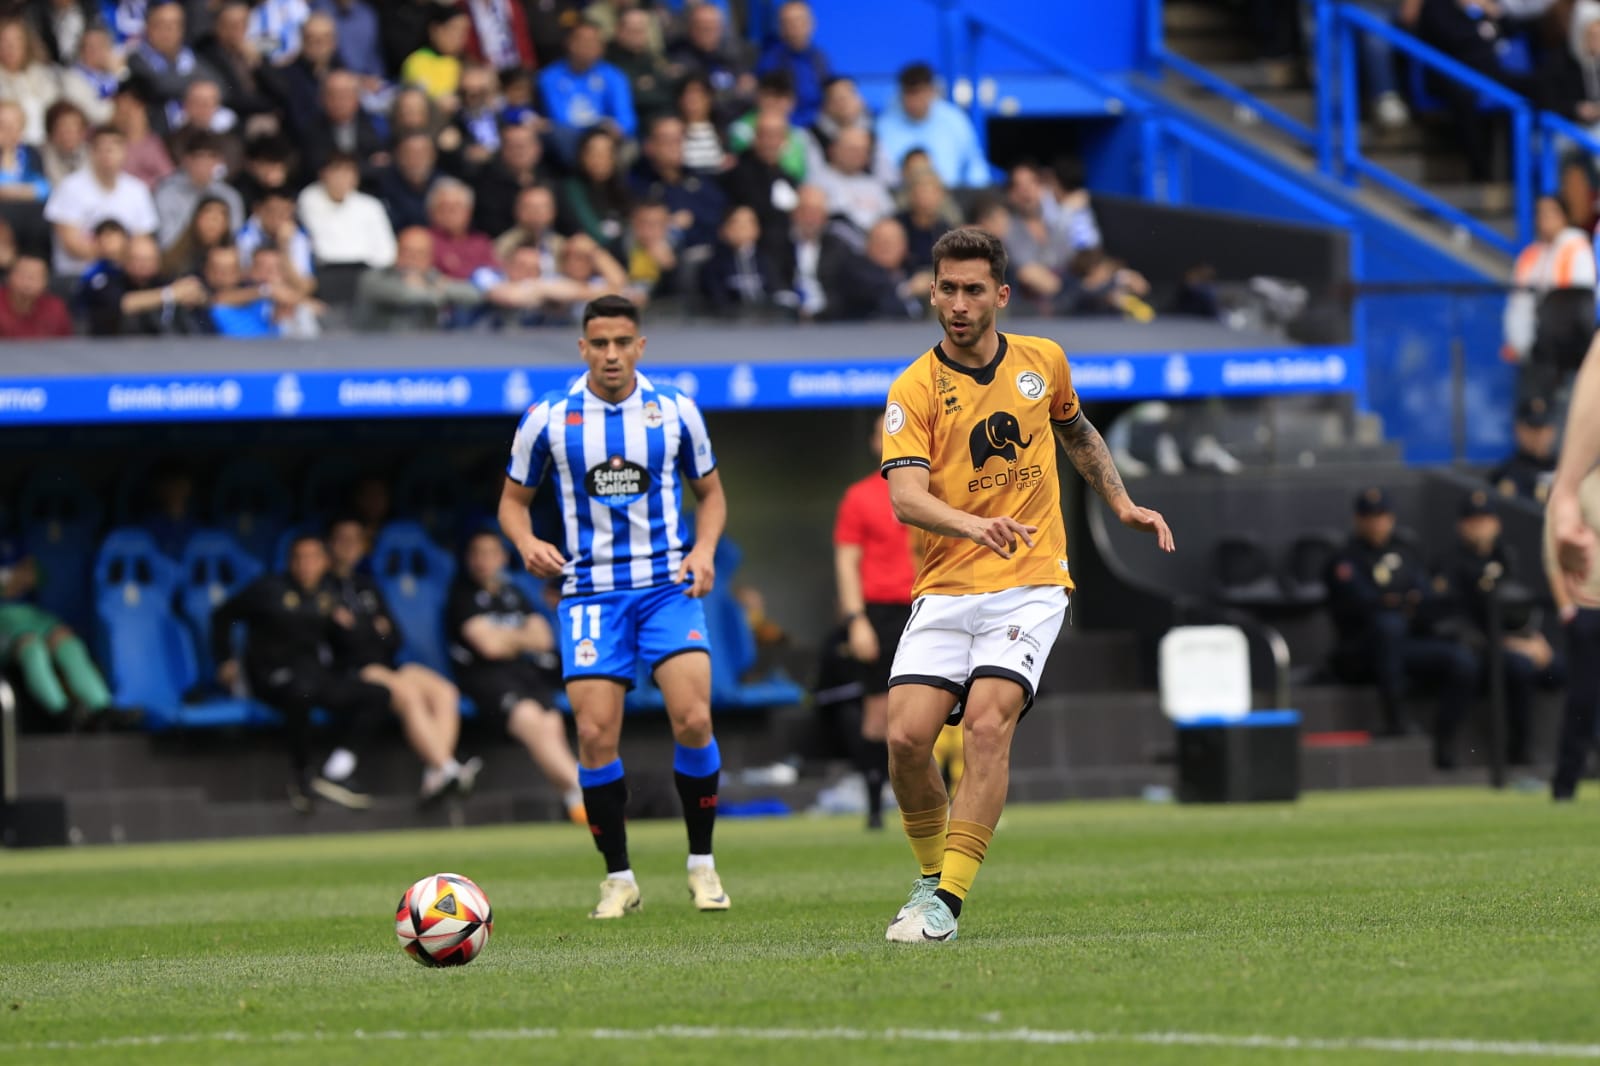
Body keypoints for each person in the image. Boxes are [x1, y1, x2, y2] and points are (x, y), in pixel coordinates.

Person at [877, 228, 1174, 942]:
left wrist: (1121, 502)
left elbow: (1077, 433)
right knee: (906, 741)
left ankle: (946, 902)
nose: (957, 302)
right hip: (947, 586)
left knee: (985, 725)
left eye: (973, 289)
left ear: (1001, 296)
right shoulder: (914, 387)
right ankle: (926, 877)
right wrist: (974, 526)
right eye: (946, 287)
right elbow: (906, 499)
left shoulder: (1044, 362)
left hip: (1030, 581)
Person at [498, 294, 731, 919]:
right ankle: (619, 878)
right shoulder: (548, 418)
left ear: (640, 346)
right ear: (582, 348)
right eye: (598, 344)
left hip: (666, 587)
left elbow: (709, 496)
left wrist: (703, 550)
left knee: (694, 720)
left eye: (622, 343)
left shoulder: (676, 410)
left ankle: (702, 866)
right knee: (596, 735)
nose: (610, 355)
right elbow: (512, 504)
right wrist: (525, 543)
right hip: (592, 595)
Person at [833, 411, 962, 830]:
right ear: (876, 444)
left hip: (932, 604)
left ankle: (945, 803)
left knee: (940, 708)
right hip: (881, 612)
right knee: (877, 712)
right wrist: (856, 619)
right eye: (882, 436)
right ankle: (875, 808)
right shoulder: (860, 497)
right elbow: (847, 561)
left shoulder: (937, 491)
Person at [211, 533, 391, 811]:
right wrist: (225, 659)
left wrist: (363, 630)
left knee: (378, 694)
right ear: (290, 562)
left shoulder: (328, 595)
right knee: (301, 691)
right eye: (299, 558)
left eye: (313, 558)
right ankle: (302, 776)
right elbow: (223, 615)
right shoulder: (269, 589)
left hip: (315, 677)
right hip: (272, 676)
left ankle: (337, 771)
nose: (305, 564)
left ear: (324, 562)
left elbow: (345, 642)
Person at [325, 516, 480, 805]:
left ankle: (437, 770)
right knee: (406, 693)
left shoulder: (367, 585)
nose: (349, 546)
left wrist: (360, 627)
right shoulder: (324, 587)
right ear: (331, 545)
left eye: (355, 540)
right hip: (351, 669)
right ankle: (446, 766)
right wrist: (371, 628)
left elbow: (394, 637)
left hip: (388, 664)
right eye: (342, 540)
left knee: (445, 692)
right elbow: (344, 641)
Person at [1324, 487, 1478, 762]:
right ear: (1358, 520)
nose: (1376, 523)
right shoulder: (1345, 558)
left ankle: (1444, 740)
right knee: (1388, 627)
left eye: (1381, 516)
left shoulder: (1406, 551)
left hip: (1405, 644)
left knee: (1462, 662)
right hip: (1361, 650)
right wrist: (1402, 602)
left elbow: (1426, 597)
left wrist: (1401, 602)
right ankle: (1395, 720)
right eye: (1369, 517)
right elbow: (1364, 603)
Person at [446, 529, 586, 825]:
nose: (484, 561)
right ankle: (586, 792)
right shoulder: (462, 595)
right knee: (531, 719)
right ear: (469, 559)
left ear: (502, 558)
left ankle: (575, 800)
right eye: (477, 554)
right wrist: (519, 637)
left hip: (523, 674)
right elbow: (489, 647)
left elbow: (544, 638)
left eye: (490, 553)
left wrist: (506, 638)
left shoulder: (513, 593)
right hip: (485, 680)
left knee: (550, 720)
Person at [1437, 490, 1557, 768]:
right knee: (1514, 667)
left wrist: (1532, 637)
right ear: (1461, 525)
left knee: (1561, 666)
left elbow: (1521, 605)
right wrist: (1504, 643)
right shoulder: (1450, 562)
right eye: (1473, 520)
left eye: (1486, 519)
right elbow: (1455, 618)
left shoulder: (1507, 556)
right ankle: (1517, 752)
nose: (1481, 526)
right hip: (1475, 645)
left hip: (1510, 642)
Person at [1548, 331, 1600, 798]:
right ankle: (1565, 783)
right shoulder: (1589, 483)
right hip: (1588, 605)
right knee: (1583, 698)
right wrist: (1565, 489)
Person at [0, 536, 113, 727]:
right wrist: (12, 582)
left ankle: (102, 707)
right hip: (4, 624)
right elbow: (14, 583)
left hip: (29, 615)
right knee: (32, 647)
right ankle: (63, 711)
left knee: (66, 640)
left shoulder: (13, 541)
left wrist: (13, 581)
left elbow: (37, 575)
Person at [1491, 395, 1558, 504]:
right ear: (1519, 430)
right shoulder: (1507, 473)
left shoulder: (1562, 469)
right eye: (1532, 428)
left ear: (1551, 431)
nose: (1538, 435)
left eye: (1542, 428)